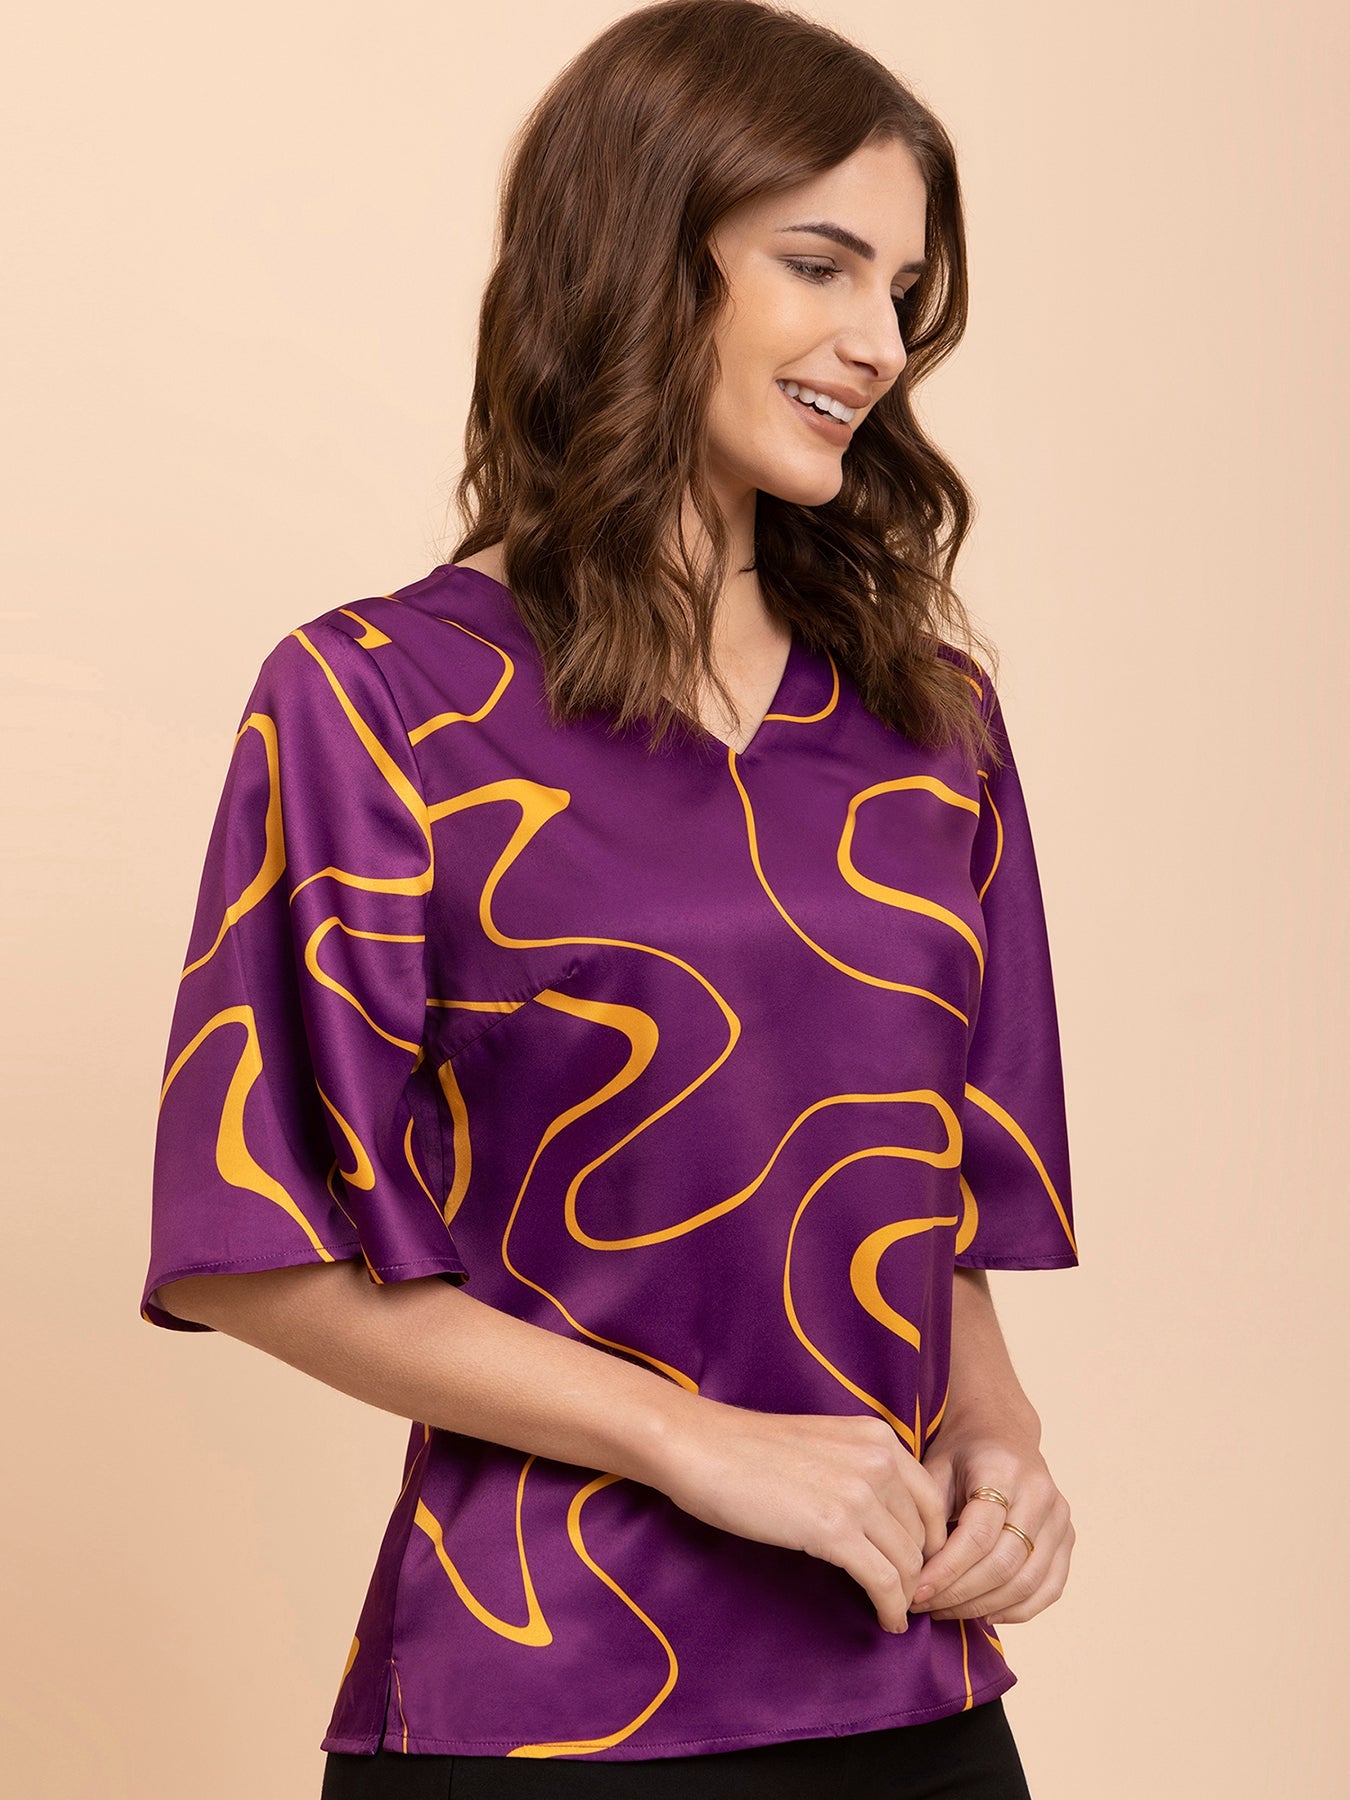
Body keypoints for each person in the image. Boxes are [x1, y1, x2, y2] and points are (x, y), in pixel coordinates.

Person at [138, 2, 1080, 1794]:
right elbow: (253, 1249)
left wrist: (998, 1434)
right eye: (820, 264)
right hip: (541, 1691)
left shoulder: (929, 725)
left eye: (901, 291)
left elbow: (929, 1186)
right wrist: (691, 1441)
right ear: (643, 252)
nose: (878, 342)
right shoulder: (378, 702)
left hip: (906, 1683)